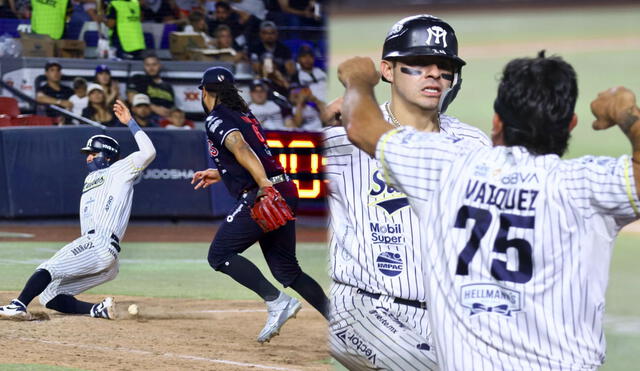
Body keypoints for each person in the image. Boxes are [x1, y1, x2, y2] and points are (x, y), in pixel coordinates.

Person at [337, 50, 640, 370]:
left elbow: (361, 125)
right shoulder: (584, 186)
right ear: (571, 124)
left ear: (497, 122)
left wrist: (359, 80)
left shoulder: (445, 167)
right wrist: (625, 113)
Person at [324, 15, 490, 370]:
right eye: (417, 63)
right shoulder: (339, 140)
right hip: (363, 310)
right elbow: (263, 157)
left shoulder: (473, 143)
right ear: (387, 70)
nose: (434, 73)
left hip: (447, 316)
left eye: (445, 66)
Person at [190, 66, 329, 343]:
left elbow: (240, 147)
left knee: (219, 255)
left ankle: (277, 301)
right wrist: (222, 173)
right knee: (287, 270)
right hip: (284, 188)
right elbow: (252, 154)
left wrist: (264, 185)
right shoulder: (243, 114)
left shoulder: (216, 118)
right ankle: (343, 324)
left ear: (205, 92)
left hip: (263, 192)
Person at [0, 100, 156, 321]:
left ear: (107, 155)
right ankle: (98, 310)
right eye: (87, 153)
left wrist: (130, 122)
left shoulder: (119, 171)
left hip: (99, 244)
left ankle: (18, 305)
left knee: (48, 266)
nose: (88, 157)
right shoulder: (91, 178)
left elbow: (149, 151)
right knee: (49, 295)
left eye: (93, 152)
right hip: (105, 257)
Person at [248, 20, 296, 92]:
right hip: (262, 81)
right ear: (260, 34)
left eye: (272, 33)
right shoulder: (255, 49)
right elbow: (256, 68)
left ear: (277, 34)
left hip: (280, 82)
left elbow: (291, 71)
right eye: (265, 33)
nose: (269, 36)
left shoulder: (284, 49)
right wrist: (274, 71)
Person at [127, 54, 175, 118]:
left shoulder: (167, 86)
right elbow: (131, 99)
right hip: (146, 118)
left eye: (154, 64)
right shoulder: (138, 78)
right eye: (148, 65)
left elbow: (172, 105)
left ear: (160, 66)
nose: (151, 68)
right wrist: (155, 108)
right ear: (144, 67)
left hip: (167, 119)